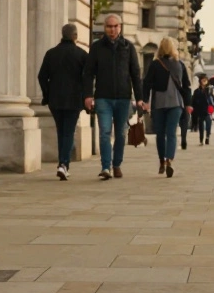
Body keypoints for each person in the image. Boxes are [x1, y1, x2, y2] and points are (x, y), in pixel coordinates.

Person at [82, 14, 142, 180]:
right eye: (109, 26)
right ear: (104, 28)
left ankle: (117, 164)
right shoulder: (97, 48)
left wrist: (140, 98)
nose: (112, 30)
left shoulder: (128, 47)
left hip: (123, 97)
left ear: (120, 27)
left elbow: (135, 74)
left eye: (115, 26)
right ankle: (105, 167)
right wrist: (88, 95)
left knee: (121, 134)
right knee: (105, 132)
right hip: (103, 97)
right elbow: (88, 73)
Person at [37, 23, 88, 180]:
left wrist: (47, 93)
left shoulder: (51, 53)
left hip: (55, 99)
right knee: (68, 132)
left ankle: (63, 163)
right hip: (73, 99)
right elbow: (87, 79)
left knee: (61, 131)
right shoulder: (81, 54)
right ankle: (64, 164)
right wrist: (86, 97)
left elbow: (41, 76)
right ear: (75, 36)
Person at [141, 37, 192, 178]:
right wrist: (188, 103)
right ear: (173, 48)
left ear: (160, 49)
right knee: (171, 133)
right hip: (176, 103)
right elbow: (187, 86)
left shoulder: (155, 64)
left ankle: (162, 161)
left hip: (159, 103)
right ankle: (169, 159)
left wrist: (145, 100)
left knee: (160, 134)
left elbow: (147, 83)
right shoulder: (180, 65)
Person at [191, 73, 214, 145]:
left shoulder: (209, 90)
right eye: (203, 80)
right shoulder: (197, 91)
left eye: (205, 80)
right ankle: (201, 139)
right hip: (200, 110)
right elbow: (194, 101)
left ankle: (207, 137)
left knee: (208, 124)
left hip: (208, 109)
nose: (204, 82)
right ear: (200, 81)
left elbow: (212, 99)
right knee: (201, 125)